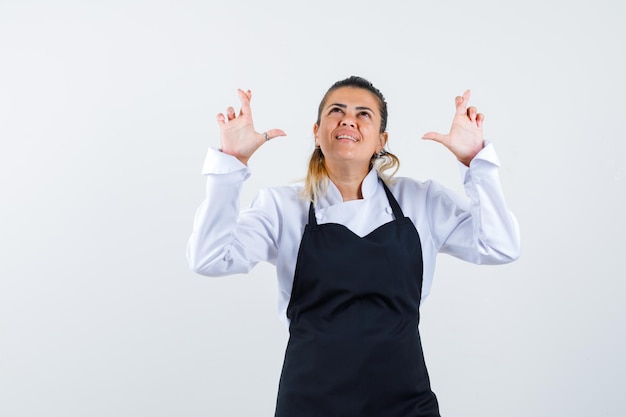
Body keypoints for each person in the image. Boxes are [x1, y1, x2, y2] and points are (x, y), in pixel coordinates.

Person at [187, 76, 520, 417]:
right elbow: (209, 258)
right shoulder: (281, 207)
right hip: (310, 404)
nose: (349, 120)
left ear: (381, 140)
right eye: (337, 111)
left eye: (364, 114)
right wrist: (230, 165)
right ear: (317, 133)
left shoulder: (421, 202)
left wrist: (478, 164)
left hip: (405, 404)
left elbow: (500, 246)